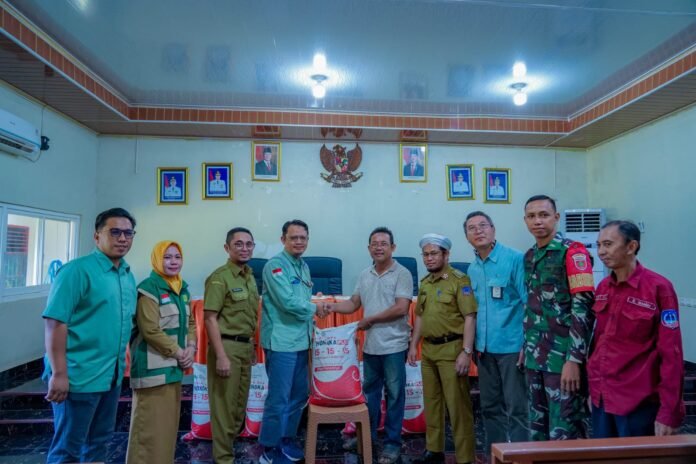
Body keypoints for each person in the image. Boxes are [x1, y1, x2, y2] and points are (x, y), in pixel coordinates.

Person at [43, 207, 138, 463]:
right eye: (115, 232)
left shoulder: (126, 274)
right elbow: (55, 323)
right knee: (67, 450)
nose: (122, 238)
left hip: (110, 377)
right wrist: (59, 374)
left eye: (128, 233)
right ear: (97, 236)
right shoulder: (76, 271)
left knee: (99, 444)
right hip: (78, 377)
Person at [588, 220, 684, 438]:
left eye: (608, 244)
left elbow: (672, 354)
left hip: (637, 401)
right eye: (599, 245)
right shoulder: (603, 288)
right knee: (602, 454)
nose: (601, 252)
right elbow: (599, 343)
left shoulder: (659, 289)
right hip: (602, 397)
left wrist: (669, 412)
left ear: (631, 247)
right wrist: (593, 390)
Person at [327, 227, 413, 464]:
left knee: (394, 396)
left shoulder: (402, 273)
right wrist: (330, 307)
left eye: (383, 243)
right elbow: (353, 303)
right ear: (368, 248)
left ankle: (392, 444)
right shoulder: (365, 274)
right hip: (371, 347)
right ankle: (367, 436)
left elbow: (401, 308)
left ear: (393, 247)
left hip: (394, 346)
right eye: (374, 244)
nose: (378, 247)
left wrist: (371, 320)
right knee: (370, 396)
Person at [522, 194, 595, 441]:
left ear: (556, 217)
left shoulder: (574, 253)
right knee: (538, 431)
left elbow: (583, 308)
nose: (537, 221)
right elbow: (532, 306)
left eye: (544, 215)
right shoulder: (530, 256)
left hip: (562, 360)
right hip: (535, 357)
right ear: (525, 220)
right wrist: (525, 346)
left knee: (565, 432)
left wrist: (574, 359)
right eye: (531, 216)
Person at [408, 233, 477, 464]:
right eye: (425, 254)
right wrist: (413, 345)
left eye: (434, 253)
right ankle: (434, 451)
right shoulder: (425, 283)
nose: (429, 258)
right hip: (429, 351)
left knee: (458, 407)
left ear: (446, 255)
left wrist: (466, 352)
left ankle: (465, 458)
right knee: (432, 403)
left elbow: (470, 317)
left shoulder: (459, 280)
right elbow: (420, 316)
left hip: (452, 350)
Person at [126, 241, 196, 464]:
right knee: (148, 433)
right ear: (157, 260)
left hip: (173, 370)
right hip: (152, 372)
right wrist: (180, 353)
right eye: (167, 257)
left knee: (165, 431)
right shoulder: (148, 289)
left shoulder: (181, 289)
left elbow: (191, 323)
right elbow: (150, 330)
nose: (173, 262)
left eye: (177, 257)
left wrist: (191, 348)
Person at [464, 212, 528, 451]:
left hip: (512, 347)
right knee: (490, 408)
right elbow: (473, 311)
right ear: (467, 236)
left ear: (493, 229)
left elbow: (528, 303)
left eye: (483, 225)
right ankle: (497, 454)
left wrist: (526, 344)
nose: (478, 231)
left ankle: (522, 455)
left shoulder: (515, 259)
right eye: (472, 228)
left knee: (518, 408)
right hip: (484, 350)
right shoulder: (472, 269)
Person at [259, 219, 319, 464]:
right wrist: (316, 308)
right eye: (293, 237)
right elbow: (287, 302)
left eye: (303, 238)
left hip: (301, 341)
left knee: (298, 395)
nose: (299, 242)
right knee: (278, 398)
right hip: (281, 342)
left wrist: (314, 304)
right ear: (283, 239)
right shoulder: (275, 266)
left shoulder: (303, 266)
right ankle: (269, 447)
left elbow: (302, 298)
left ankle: (287, 439)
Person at [204, 227, 260, 464]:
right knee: (224, 409)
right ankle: (223, 458)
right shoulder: (220, 277)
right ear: (227, 248)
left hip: (244, 348)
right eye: (238, 244)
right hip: (226, 347)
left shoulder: (249, 276)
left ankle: (229, 452)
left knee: (238, 408)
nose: (244, 248)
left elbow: (250, 316)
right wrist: (221, 356)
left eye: (249, 244)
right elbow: (210, 318)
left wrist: (253, 347)